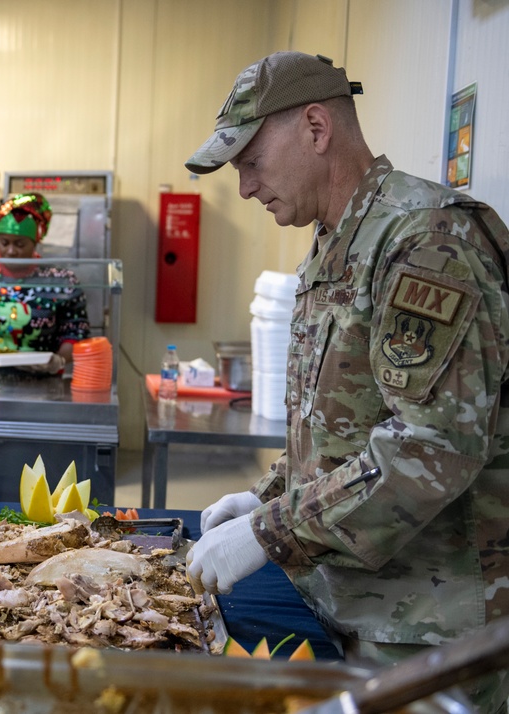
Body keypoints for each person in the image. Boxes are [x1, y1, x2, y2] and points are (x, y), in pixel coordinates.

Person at [183, 51, 509, 712]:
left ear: (314, 128)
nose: (244, 187)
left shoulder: (427, 241)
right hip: (345, 598)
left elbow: (430, 449)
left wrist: (272, 531)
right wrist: (268, 494)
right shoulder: (335, 242)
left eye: (250, 161)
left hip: (426, 629)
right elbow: (334, 422)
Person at [0, 193, 90, 375]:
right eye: (4, 243)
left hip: (39, 379)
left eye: (20, 244)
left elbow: (76, 332)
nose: (10, 251)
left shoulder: (62, 281)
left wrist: (59, 360)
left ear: (35, 244)